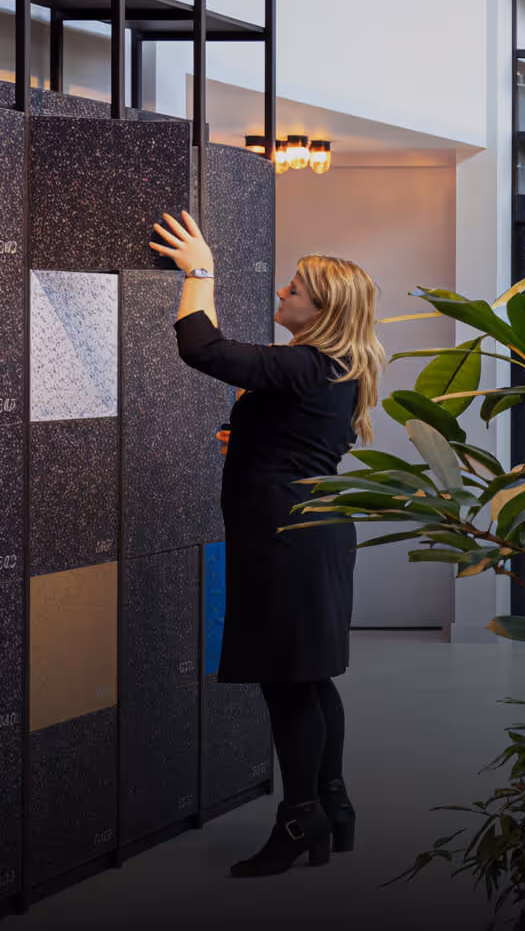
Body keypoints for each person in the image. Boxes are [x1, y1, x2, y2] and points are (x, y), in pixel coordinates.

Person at [150, 210, 385, 878]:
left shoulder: (307, 364)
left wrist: (201, 271)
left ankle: (299, 816)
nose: (281, 292)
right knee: (310, 677)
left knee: (288, 685)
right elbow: (290, 429)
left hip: (285, 537)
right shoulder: (335, 366)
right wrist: (252, 444)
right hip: (311, 531)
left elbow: (203, 348)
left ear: (321, 309)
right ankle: (332, 808)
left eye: (293, 289)